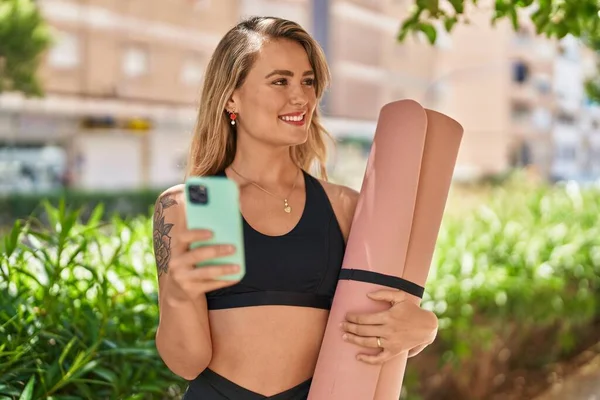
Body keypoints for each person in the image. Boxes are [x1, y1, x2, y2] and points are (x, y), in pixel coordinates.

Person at [152, 16, 439, 400]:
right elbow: (187, 363)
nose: (301, 97)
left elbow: (385, 322)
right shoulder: (192, 205)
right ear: (231, 97)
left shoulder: (343, 206)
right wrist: (179, 296)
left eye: (307, 81)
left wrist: (426, 328)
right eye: (280, 81)